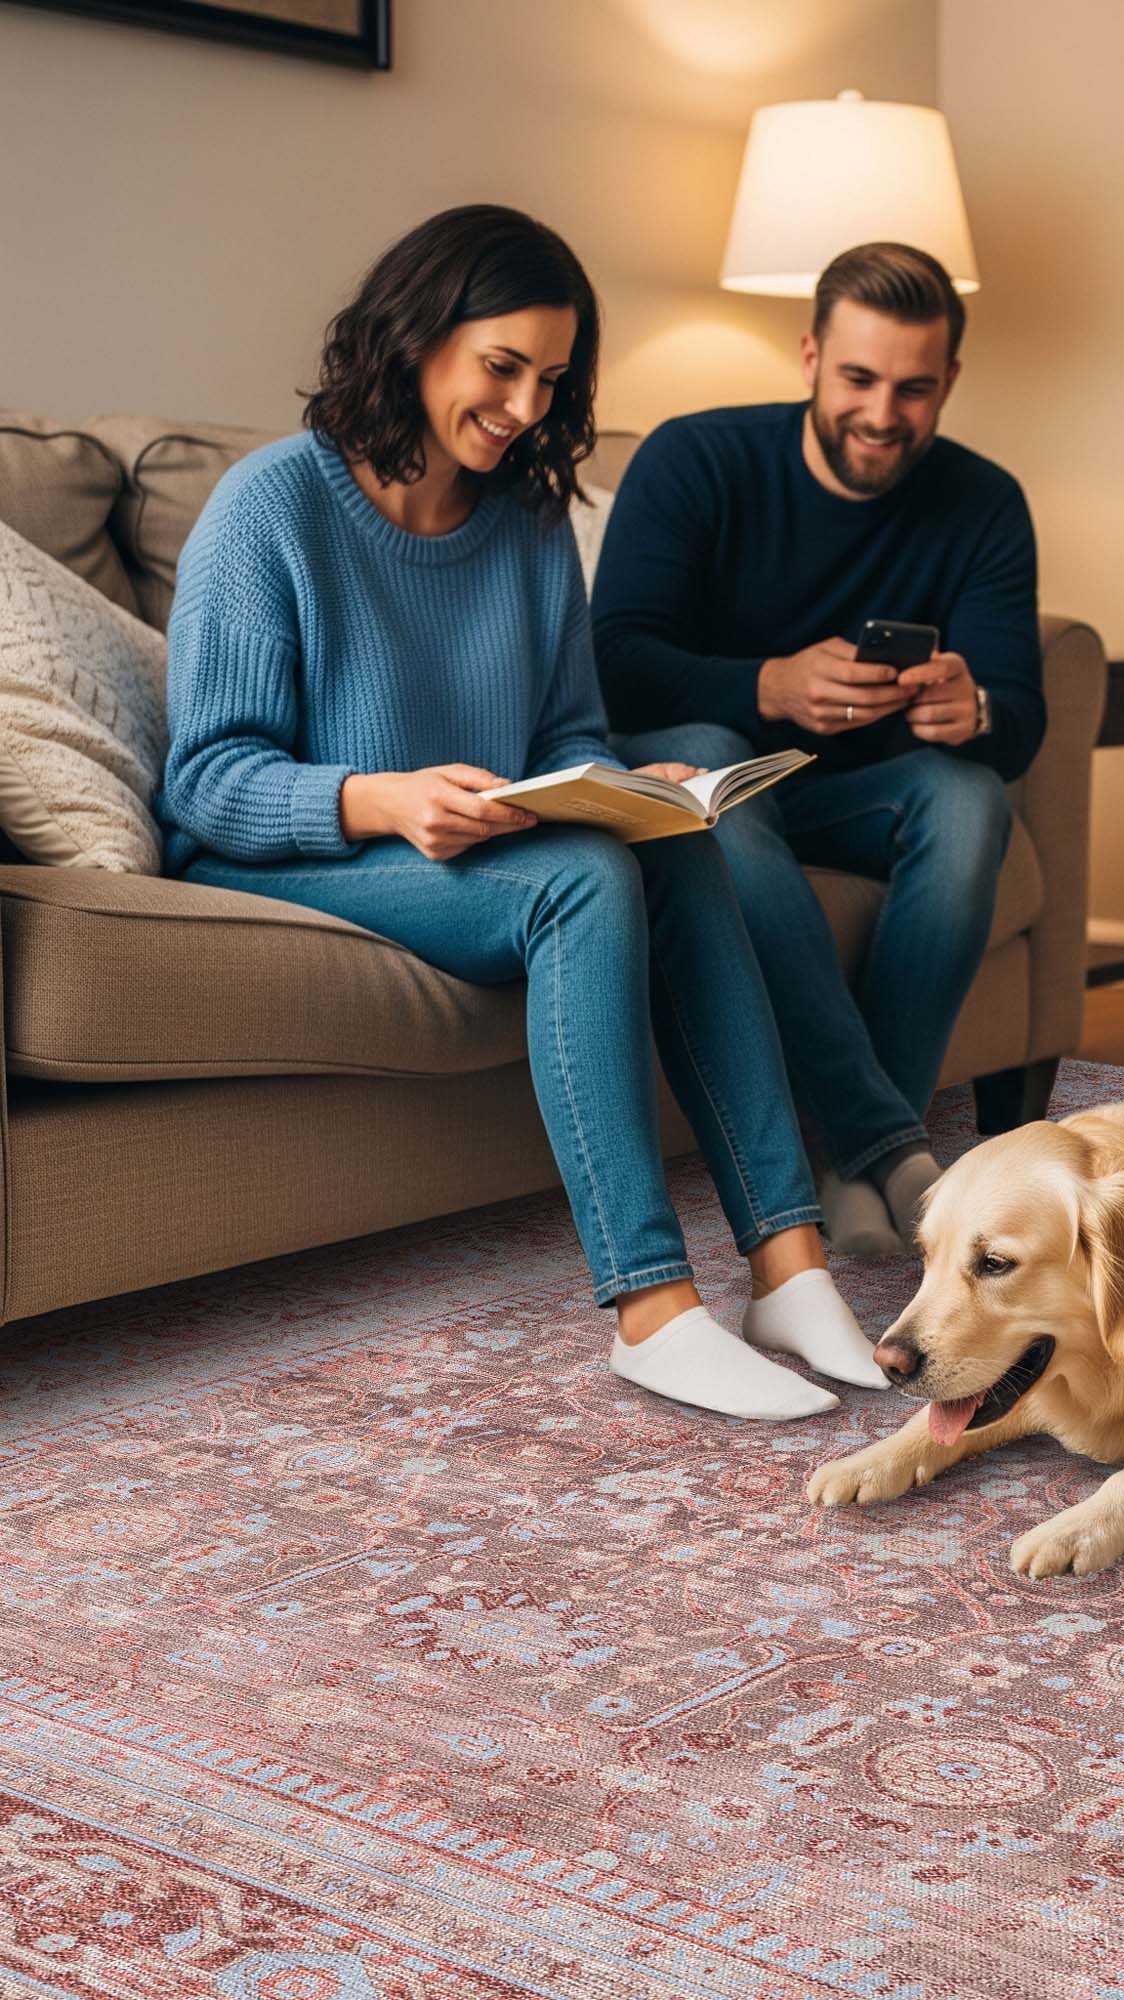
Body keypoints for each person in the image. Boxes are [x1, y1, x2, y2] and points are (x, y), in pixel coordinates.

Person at [155, 204, 889, 1422]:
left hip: (472, 846)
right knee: (582, 881)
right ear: (414, 336)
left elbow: (562, 733)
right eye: (502, 367)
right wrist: (381, 798)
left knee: (668, 845)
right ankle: (650, 1309)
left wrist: (617, 787)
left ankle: (788, 1266)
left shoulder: (531, 514)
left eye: (550, 379)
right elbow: (205, 779)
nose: (524, 407)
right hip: (281, 851)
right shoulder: (269, 505)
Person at [590, 241, 1043, 1257]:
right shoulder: (694, 459)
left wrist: (974, 708)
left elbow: (1020, 715)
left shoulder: (983, 502)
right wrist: (767, 683)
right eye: (858, 379)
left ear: (949, 380)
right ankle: (888, 1147)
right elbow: (612, 663)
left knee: (969, 794)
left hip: (850, 796)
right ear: (808, 357)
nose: (882, 414)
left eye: (914, 389)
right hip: (704, 774)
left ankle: (849, 1162)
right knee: (713, 753)